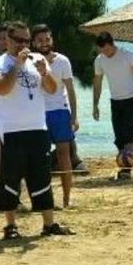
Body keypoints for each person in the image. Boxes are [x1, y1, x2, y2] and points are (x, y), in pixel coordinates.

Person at [0, 21, 74, 239]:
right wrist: (16, 65)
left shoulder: (38, 60)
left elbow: (52, 90)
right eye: (19, 40)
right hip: (11, 130)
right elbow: (2, 89)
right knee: (10, 177)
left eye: (26, 40)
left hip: (37, 127)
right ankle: (11, 225)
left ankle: (49, 224)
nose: (23, 44)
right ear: (7, 39)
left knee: (41, 176)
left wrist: (45, 73)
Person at [32, 24, 78, 208]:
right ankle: (43, 199)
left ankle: (67, 199)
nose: (44, 43)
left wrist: (74, 116)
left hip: (59, 111)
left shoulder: (63, 61)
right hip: (37, 113)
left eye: (47, 39)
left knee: (63, 155)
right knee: (39, 157)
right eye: (40, 40)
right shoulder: (30, 61)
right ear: (34, 42)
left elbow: (71, 90)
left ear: (52, 40)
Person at [93, 32, 133, 180]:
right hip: (115, 100)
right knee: (118, 135)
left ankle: (126, 168)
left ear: (112, 44)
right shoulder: (99, 60)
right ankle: (124, 165)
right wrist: (95, 104)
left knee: (128, 134)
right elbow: (97, 82)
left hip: (131, 98)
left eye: (106, 50)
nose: (105, 53)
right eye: (101, 50)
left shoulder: (127, 55)